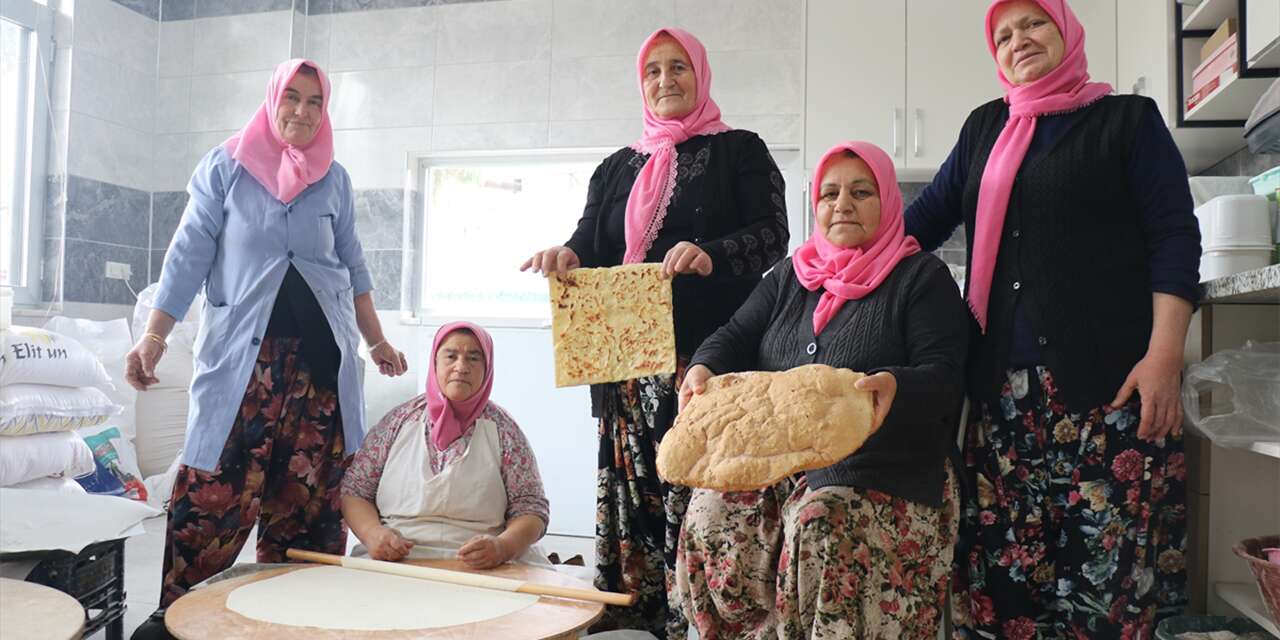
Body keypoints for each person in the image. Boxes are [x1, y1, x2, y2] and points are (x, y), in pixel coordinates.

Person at [903, 1, 1200, 636]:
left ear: (1065, 30)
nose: (1019, 40)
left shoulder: (1126, 120)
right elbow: (919, 224)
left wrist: (1165, 355)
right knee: (1007, 591)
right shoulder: (985, 128)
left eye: (1034, 23)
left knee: (1107, 592)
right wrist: (832, 263)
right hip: (1000, 402)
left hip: (1110, 392)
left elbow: (1174, 237)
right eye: (1003, 35)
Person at [520, 27, 790, 638]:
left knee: (697, 489)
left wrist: (711, 253)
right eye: (653, 71)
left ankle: (697, 619)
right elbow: (588, 242)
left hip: (705, 359)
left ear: (700, 75)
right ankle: (637, 617)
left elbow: (774, 234)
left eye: (678, 68)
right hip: (627, 366)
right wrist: (565, 255)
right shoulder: (616, 167)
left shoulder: (739, 150)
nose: (665, 80)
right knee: (633, 490)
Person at [125, 59, 407, 636]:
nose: (302, 111)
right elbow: (187, 256)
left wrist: (376, 340)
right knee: (211, 504)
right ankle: (181, 624)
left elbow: (353, 266)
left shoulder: (334, 178)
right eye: (292, 98)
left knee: (307, 520)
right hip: (242, 370)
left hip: (318, 376)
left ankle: (293, 628)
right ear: (273, 100)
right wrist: (153, 336)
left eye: (315, 102)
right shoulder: (225, 167)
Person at [672, 141, 968, 639]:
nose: (842, 205)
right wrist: (704, 366)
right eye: (829, 194)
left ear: (888, 202)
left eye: (861, 192)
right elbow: (734, 335)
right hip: (782, 464)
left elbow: (945, 376)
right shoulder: (791, 275)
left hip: (886, 468)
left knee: (821, 520)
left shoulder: (921, 278)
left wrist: (895, 386)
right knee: (709, 510)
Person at [341, 322, 550, 568]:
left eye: (474, 358)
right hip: (396, 562)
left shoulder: (505, 430)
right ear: (435, 363)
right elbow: (355, 492)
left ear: (487, 368)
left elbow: (532, 509)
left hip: (484, 567)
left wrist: (503, 547)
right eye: (451, 356)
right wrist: (372, 534)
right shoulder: (397, 422)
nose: (461, 367)